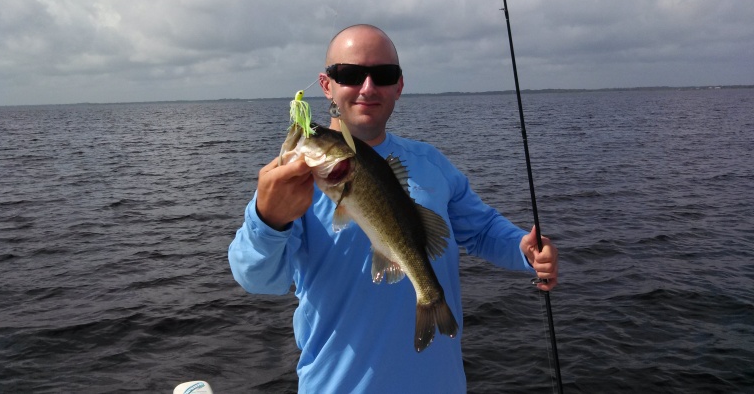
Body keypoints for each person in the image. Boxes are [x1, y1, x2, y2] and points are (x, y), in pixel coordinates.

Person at [228, 24, 558, 393]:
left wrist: (524, 249)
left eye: (383, 75)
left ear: (399, 86)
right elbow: (257, 278)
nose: (368, 88)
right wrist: (268, 219)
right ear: (326, 84)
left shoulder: (431, 162)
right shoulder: (291, 182)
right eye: (350, 74)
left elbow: (481, 230)